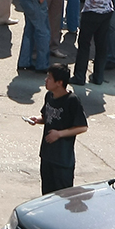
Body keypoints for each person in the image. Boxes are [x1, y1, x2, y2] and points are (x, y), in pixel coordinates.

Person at [28, 65, 88, 194]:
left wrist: (59, 134)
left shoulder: (72, 101)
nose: (46, 80)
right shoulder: (49, 96)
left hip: (62, 160)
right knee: (46, 195)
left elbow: (82, 127)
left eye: (49, 78)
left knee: (62, 197)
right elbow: (47, 117)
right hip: (47, 155)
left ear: (59, 83)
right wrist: (38, 119)